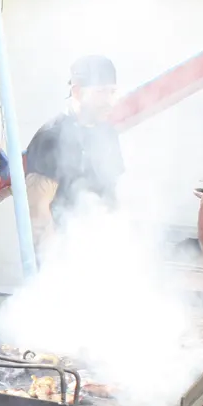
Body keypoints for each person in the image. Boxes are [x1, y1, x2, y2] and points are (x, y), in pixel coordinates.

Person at [23, 54, 125, 259]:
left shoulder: (108, 133)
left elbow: (113, 194)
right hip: (63, 255)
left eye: (112, 92)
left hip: (102, 250)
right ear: (77, 92)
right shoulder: (51, 137)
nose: (109, 101)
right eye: (100, 92)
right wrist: (57, 263)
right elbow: (38, 211)